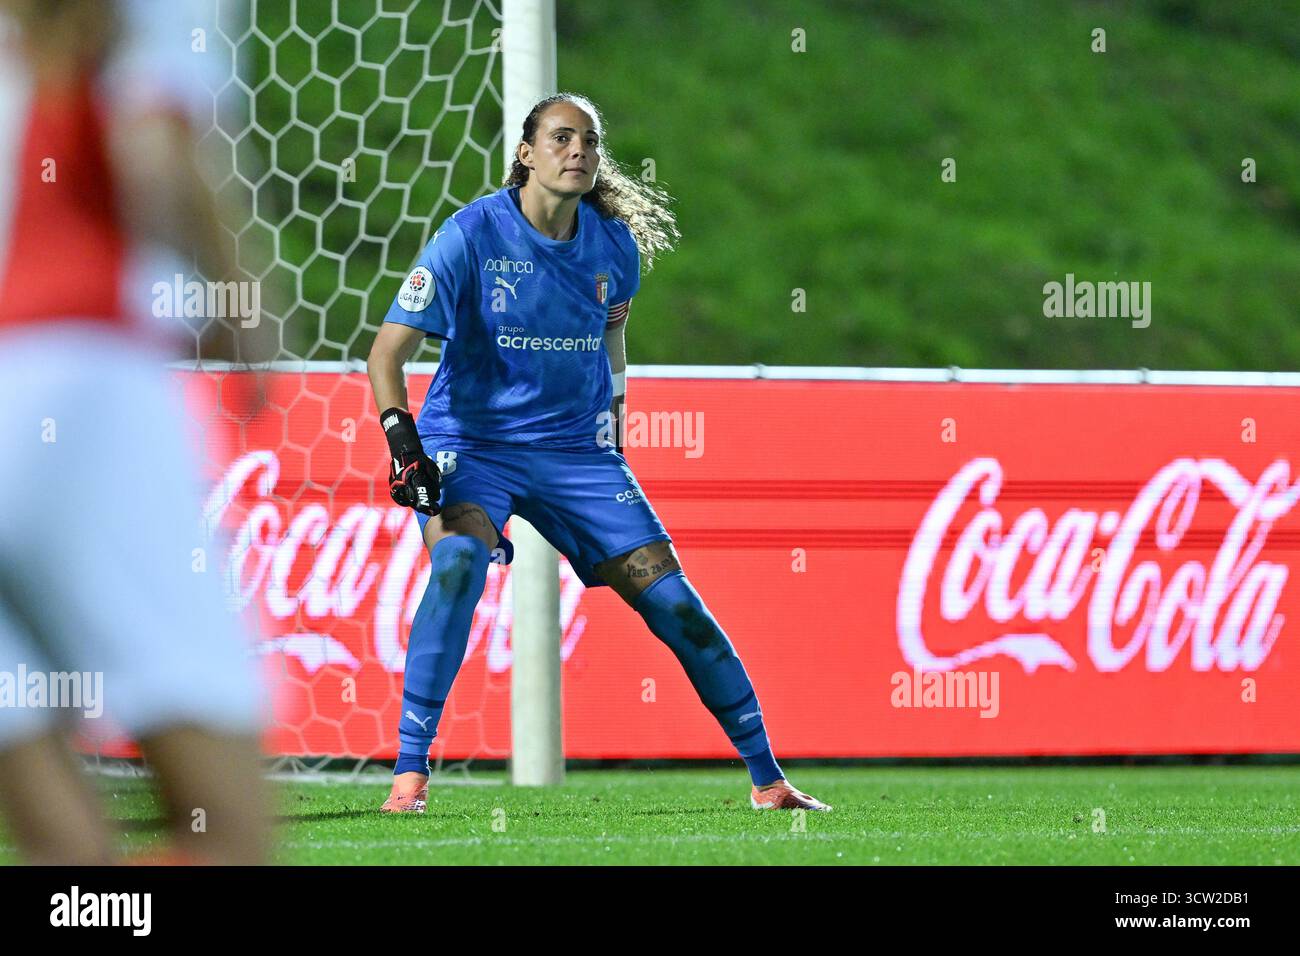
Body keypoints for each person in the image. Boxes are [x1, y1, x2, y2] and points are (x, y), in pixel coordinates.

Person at [367, 92, 829, 813]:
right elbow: (386, 354)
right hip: (472, 445)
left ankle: (768, 780)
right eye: (560, 138)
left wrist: (614, 414)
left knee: (677, 605)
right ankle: (409, 775)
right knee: (457, 562)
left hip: (576, 455)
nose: (577, 150)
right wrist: (405, 446)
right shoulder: (469, 236)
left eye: (588, 140)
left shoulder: (613, 247)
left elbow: (612, 335)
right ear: (525, 155)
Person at [0, 0, 272, 863]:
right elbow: (156, 146)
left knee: (68, 857)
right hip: (75, 382)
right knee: (227, 831)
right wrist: (242, 305)